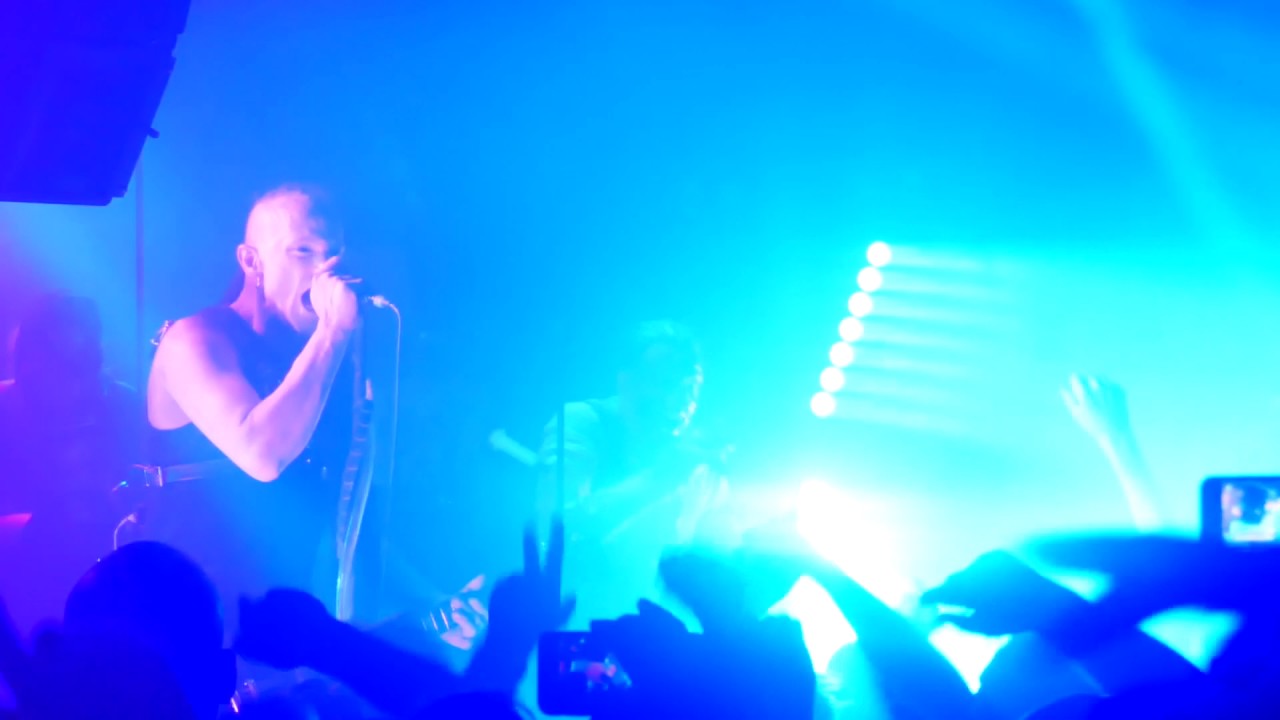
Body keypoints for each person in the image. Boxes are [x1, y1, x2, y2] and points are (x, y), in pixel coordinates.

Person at [144, 185, 362, 626]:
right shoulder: (195, 339)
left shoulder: (313, 360)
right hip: (187, 618)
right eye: (304, 251)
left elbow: (347, 511)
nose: (326, 270)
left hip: (284, 615)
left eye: (334, 254)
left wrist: (430, 599)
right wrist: (334, 332)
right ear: (251, 261)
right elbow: (262, 455)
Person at [536, 320, 728, 626]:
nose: (681, 401)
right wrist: (660, 479)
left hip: (650, 634)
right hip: (572, 625)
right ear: (626, 382)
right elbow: (558, 525)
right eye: (666, 383)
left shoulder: (697, 469)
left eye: (690, 388)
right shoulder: (582, 422)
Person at [0, 293, 143, 633]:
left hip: (110, 571)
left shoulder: (122, 404)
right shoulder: (5, 408)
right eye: (54, 359)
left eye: (81, 360)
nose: (70, 378)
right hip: (22, 580)